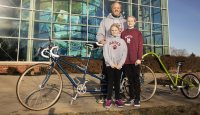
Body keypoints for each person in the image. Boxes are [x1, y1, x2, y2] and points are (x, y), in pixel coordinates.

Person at [96, 1, 127, 104]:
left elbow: (127, 36)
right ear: (112, 8)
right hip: (108, 53)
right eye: (115, 7)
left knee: (120, 75)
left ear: (120, 9)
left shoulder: (125, 22)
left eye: (118, 8)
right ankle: (104, 95)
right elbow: (100, 34)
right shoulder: (105, 21)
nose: (116, 9)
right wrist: (102, 41)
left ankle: (119, 94)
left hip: (120, 54)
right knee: (106, 74)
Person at [121, 16, 144, 107]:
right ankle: (131, 98)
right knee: (129, 80)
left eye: (132, 21)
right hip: (126, 61)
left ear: (135, 22)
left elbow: (140, 46)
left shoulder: (138, 33)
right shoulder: (123, 33)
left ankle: (137, 98)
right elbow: (121, 47)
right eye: (128, 21)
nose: (130, 22)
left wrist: (139, 58)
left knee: (136, 80)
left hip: (135, 61)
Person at [103, 23, 127, 108]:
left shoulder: (122, 41)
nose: (114, 31)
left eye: (115, 30)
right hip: (110, 65)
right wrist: (111, 63)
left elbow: (124, 53)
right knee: (110, 82)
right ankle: (108, 99)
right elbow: (105, 53)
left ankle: (117, 99)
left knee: (117, 82)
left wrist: (120, 64)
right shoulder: (107, 40)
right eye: (112, 30)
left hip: (119, 65)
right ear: (110, 31)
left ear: (118, 31)